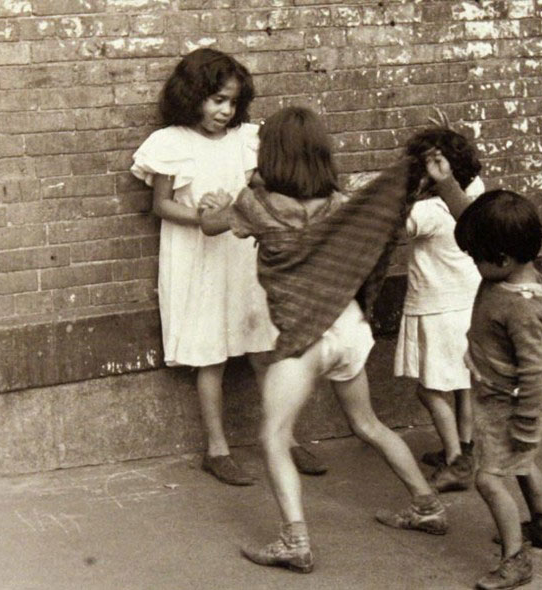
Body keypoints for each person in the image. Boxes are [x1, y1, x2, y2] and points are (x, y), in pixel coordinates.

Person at [201, 106, 450, 574]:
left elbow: (211, 224)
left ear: (270, 153)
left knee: (273, 437)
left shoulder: (256, 204)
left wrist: (211, 206)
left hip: (305, 340)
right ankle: (426, 505)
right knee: (369, 424)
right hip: (348, 329)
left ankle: (294, 541)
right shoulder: (342, 205)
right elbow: (380, 207)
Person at [131, 48, 325, 487]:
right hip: (199, 257)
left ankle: (285, 437)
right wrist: (204, 217)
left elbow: (260, 188)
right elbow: (160, 205)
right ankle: (217, 448)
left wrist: (248, 212)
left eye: (232, 102)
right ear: (192, 95)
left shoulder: (247, 139)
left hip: (243, 253)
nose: (225, 110)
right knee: (211, 354)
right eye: (216, 100)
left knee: (264, 348)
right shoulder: (171, 142)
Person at [453, 188, 542, 590]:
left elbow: (535, 371)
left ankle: (515, 559)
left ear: (501, 259)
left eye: (476, 258)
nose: (473, 262)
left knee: (488, 478)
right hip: (501, 395)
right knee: (523, 462)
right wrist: (447, 182)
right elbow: (470, 218)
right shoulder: (512, 268)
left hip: (505, 402)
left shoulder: (520, 305)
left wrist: (527, 422)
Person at [396, 127, 485, 492]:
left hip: (437, 309)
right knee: (463, 385)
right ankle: (466, 449)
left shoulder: (428, 211)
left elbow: (393, 226)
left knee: (430, 390)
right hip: (468, 304)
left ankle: (454, 462)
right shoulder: (475, 194)